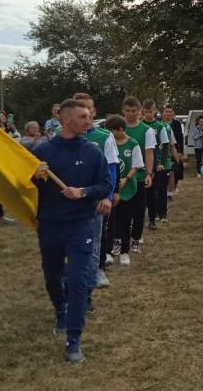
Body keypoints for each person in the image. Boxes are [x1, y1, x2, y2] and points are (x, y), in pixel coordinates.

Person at [32, 98, 112, 363]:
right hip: (50, 224)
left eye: (89, 117)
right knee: (52, 276)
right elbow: (25, 187)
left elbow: (103, 185)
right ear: (66, 120)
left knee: (78, 279)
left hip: (81, 224)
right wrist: (34, 175)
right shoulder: (43, 151)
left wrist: (84, 192)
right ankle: (60, 311)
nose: (89, 122)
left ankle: (74, 339)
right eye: (83, 117)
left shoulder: (92, 151)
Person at [73, 93, 119, 294]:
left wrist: (107, 196)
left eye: (88, 109)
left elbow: (111, 168)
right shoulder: (62, 133)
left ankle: (95, 273)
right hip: (69, 199)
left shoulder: (103, 136)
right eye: (79, 108)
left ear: (94, 111)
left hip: (94, 198)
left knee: (94, 240)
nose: (85, 113)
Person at [105, 115, 144, 266]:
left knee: (126, 220)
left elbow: (136, 165)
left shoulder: (133, 144)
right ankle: (113, 245)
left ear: (120, 129)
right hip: (112, 190)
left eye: (111, 131)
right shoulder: (109, 143)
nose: (109, 134)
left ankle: (124, 252)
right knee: (113, 220)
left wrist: (126, 179)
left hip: (128, 189)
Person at [122, 97, 156, 254]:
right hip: (121, 177)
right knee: (122, 210)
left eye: (133, 111)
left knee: (138, 210)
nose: (130, 114)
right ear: (123, 111)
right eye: (127, 111)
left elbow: (149, 152)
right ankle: (120, 238)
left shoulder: (146, 130)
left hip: (140, 176)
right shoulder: (118, 128)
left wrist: (149, 173)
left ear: (139, 111)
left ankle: (136, 239)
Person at [142, 99, 171, 229]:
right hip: (141, 164)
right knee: (143, 192)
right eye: (146, 111)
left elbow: (165, 146)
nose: (149, 114)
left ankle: (157, 216)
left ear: (155, 111)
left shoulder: (160, 127)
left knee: (157, 191)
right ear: (143, 111)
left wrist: (162, 163)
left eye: (151, 111)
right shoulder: (140, 125)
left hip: (156, 164)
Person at [162, 105, 185, 200]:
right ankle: (166, 191)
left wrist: (180, 152)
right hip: (163, 151)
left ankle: (172, 189)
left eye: (170, 111)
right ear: (163, 113)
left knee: (176, 170)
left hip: (175, 149)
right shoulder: (160, 123)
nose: (168, 113)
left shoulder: (177, 124)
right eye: (167, 111)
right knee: (166, 171)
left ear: (173, 113)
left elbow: (180, 138)